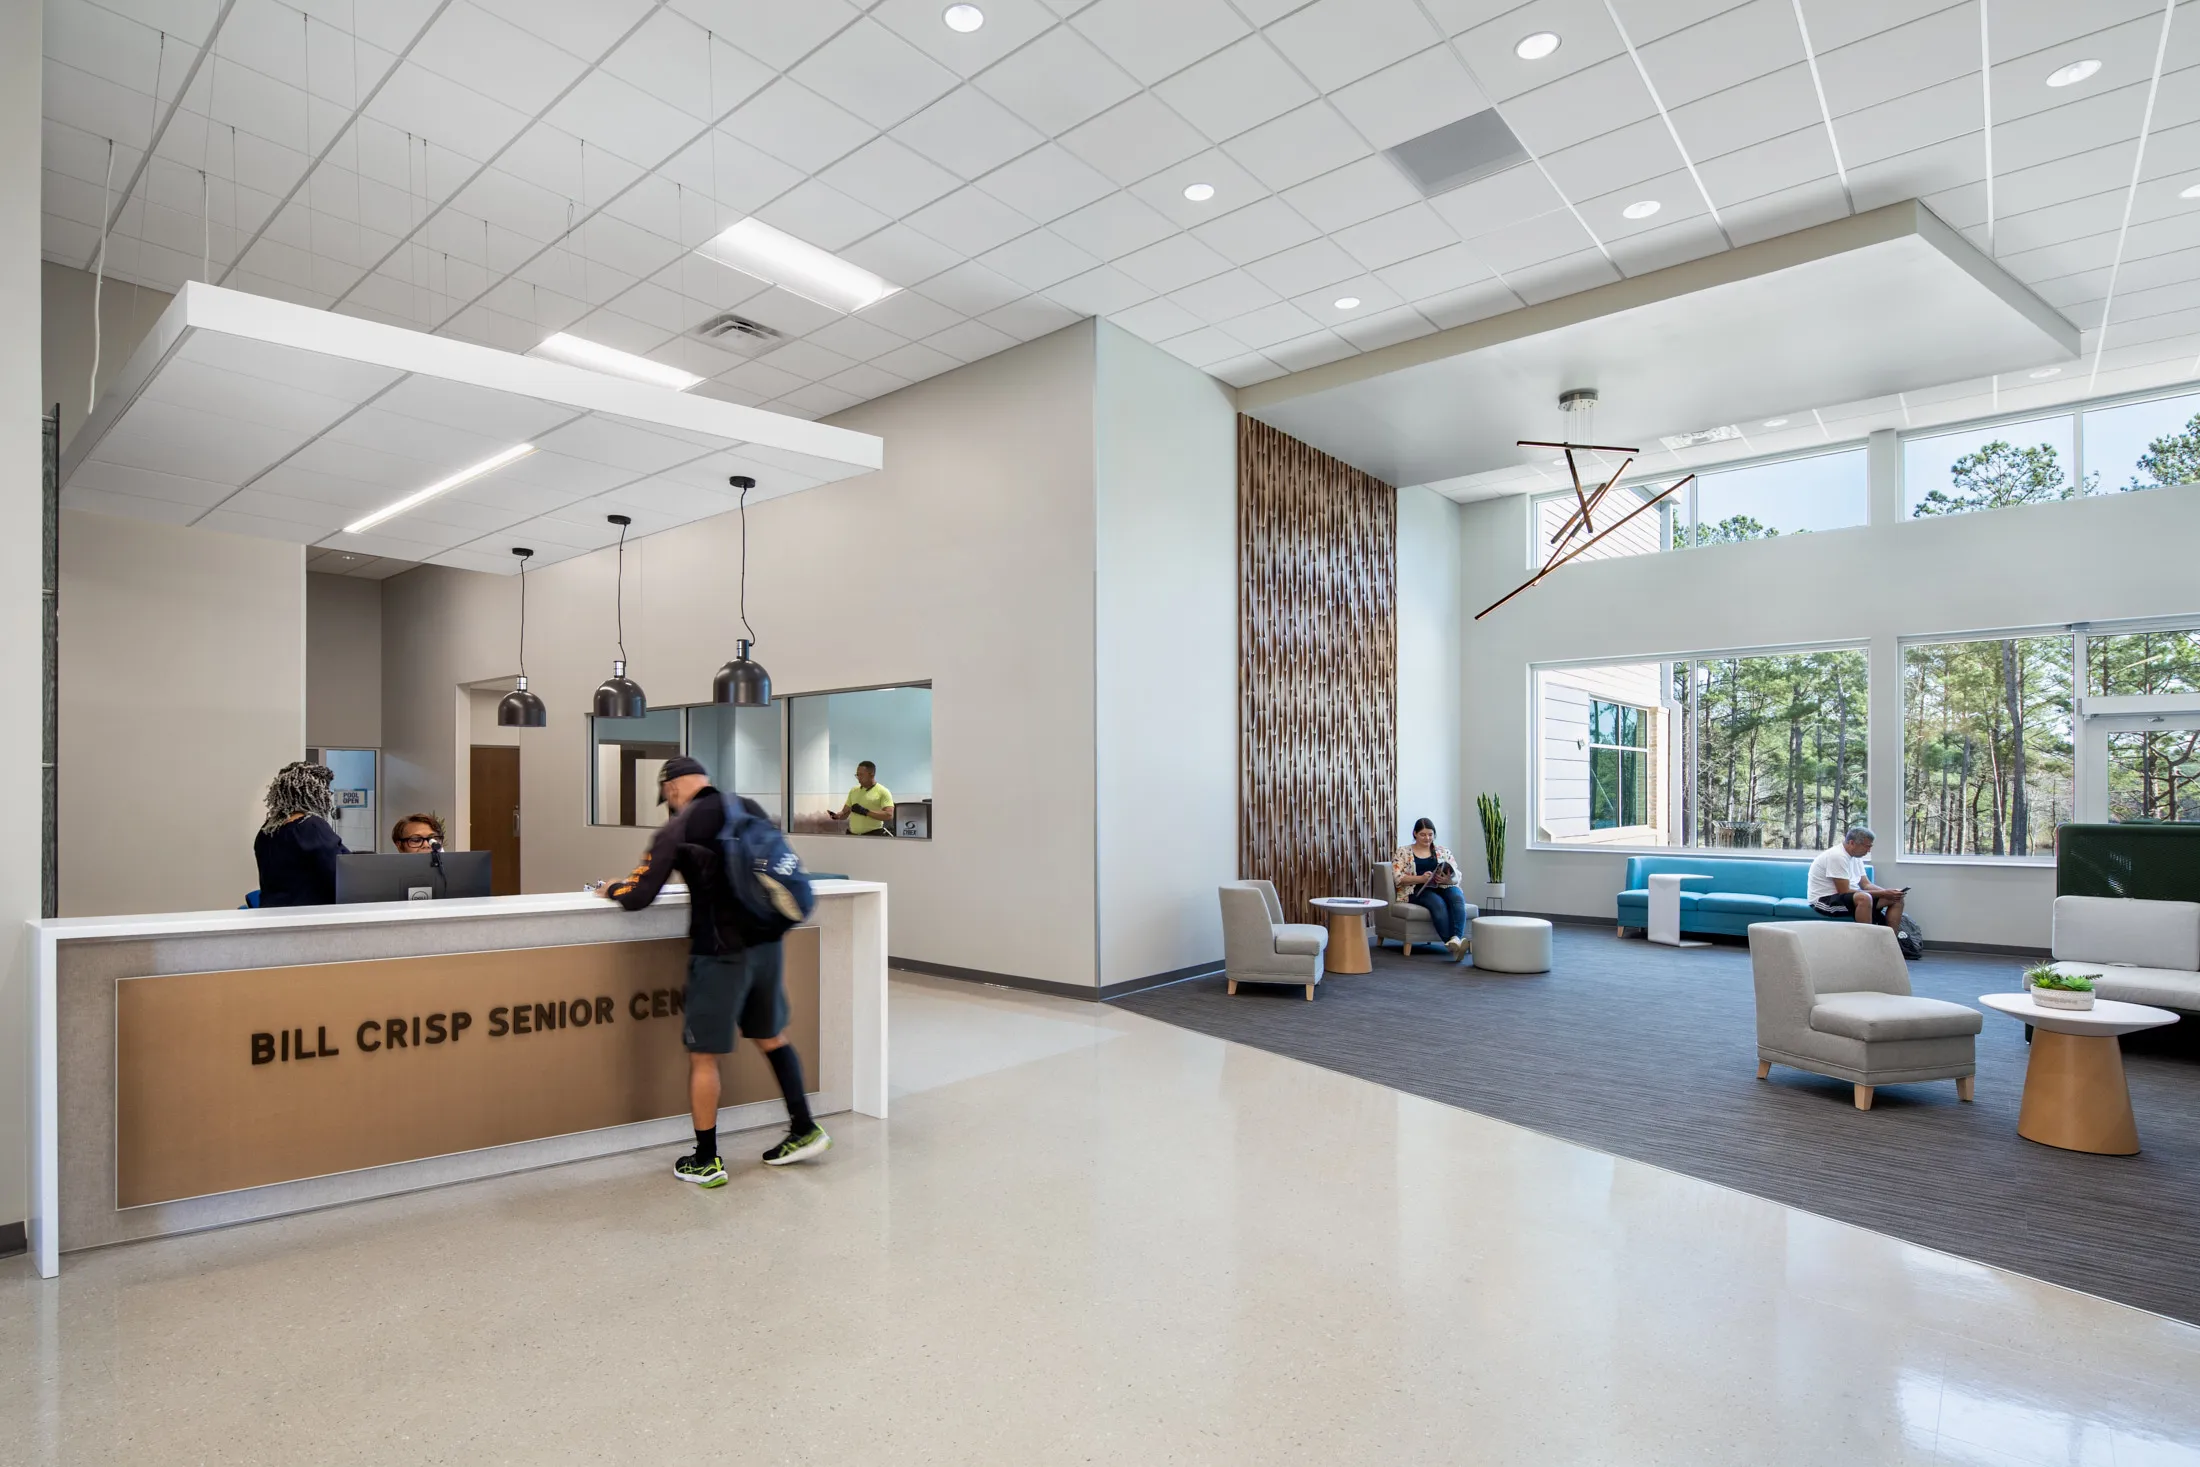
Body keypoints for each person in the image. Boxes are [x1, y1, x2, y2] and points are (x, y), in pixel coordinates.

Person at [598, 755, 829, 1187]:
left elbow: (639, 894)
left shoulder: (677, 828)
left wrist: (610, 888)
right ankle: (804, 1128)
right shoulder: (748, 808)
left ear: (671, 789)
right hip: (767, 945)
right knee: (771, 1036)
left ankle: (705, 1159)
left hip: (719, 952)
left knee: (704, 1056)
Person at [254, 761, 349, 907]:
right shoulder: (311, 826)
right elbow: (341, 875)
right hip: (308, 918)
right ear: (316, 792)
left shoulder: (267, 830)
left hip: (272, 915)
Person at [1393, 817, 1471, 957]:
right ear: (1415, 833)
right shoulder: (1403, 852)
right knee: (1438, 904)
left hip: (1443, 885)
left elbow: (1457, 873)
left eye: (1430, 834)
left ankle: (1456, 940)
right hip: (1418, 890)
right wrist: (1420, 879)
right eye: (1423, 834)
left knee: (1458, 897)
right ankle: (1453, 944)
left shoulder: (1443, 851)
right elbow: (1398, 877)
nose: (1427, 838)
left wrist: (1448, 878)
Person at [1808, 826, 1908, 935]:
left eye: (1870, 846)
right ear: (1852, 843)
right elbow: (1844, 891)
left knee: (1896, 899)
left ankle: (1891, 940)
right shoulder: (1837, 856)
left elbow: (1866, 884)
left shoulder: (1856, 857)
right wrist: (1884, 893)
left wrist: (1890, 893)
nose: (1869, 850)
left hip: (1846, 897)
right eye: (1866, 846)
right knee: (1864, 898)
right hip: (1824, 900)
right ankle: (1866, 943)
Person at [827, 761, 895, 836]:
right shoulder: (854, 790)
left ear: (871, 774)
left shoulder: (883, 791)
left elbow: (889, 815)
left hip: (872, 836)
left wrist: (865, 812)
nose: (858, 778)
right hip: (853, 835)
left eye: (861, 775)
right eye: (857, 775)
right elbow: (844, 814)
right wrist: (837, 816)